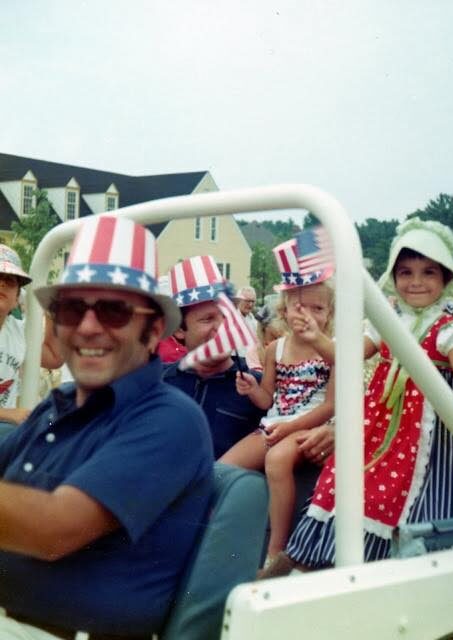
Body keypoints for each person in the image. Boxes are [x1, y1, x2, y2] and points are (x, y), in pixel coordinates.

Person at [0, 216, 214, 638]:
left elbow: (53, 530)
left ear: (153, 330)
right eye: (71, 309)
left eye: (114, 311)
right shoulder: (57, 405)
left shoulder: (171, 420)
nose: (87, 327)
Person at [262, 218, 453, 576]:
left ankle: (398, 570)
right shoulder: (387, 321)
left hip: (427, 436)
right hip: (378, 426)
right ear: (393, 276)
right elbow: (347, 355)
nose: (416, 281)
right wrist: (315, 337)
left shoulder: (450, 329)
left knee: (405, 498)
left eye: (428, 272)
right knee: (342, 482)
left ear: (446, 277)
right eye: (405, 272)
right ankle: (308, 558)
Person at [221, 239, 335, 566]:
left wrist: (290, 428)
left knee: (277, 461)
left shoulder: (332, 350)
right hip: (275, 424)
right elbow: (267, 398)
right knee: (222, 469)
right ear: (284, 311)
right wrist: (250, 389)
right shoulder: (275, 349)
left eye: (318, 308)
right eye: (300, 307)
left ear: (329, 314)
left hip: (310, 425)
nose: (308, 315)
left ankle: (276, 550)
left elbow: (330, 406)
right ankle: (224, 537)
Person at [163, 255, 265, 459]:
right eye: (207, 319)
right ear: (179, 330)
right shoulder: (157, 382)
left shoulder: (259, 389)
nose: (222, 328)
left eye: (227, 317)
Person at [0, 245, 63, 430]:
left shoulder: (18, 333)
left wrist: (50, 311)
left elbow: (54, 357)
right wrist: (6, 413)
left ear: (17, 298)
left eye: (10, 281)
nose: (2, 284)